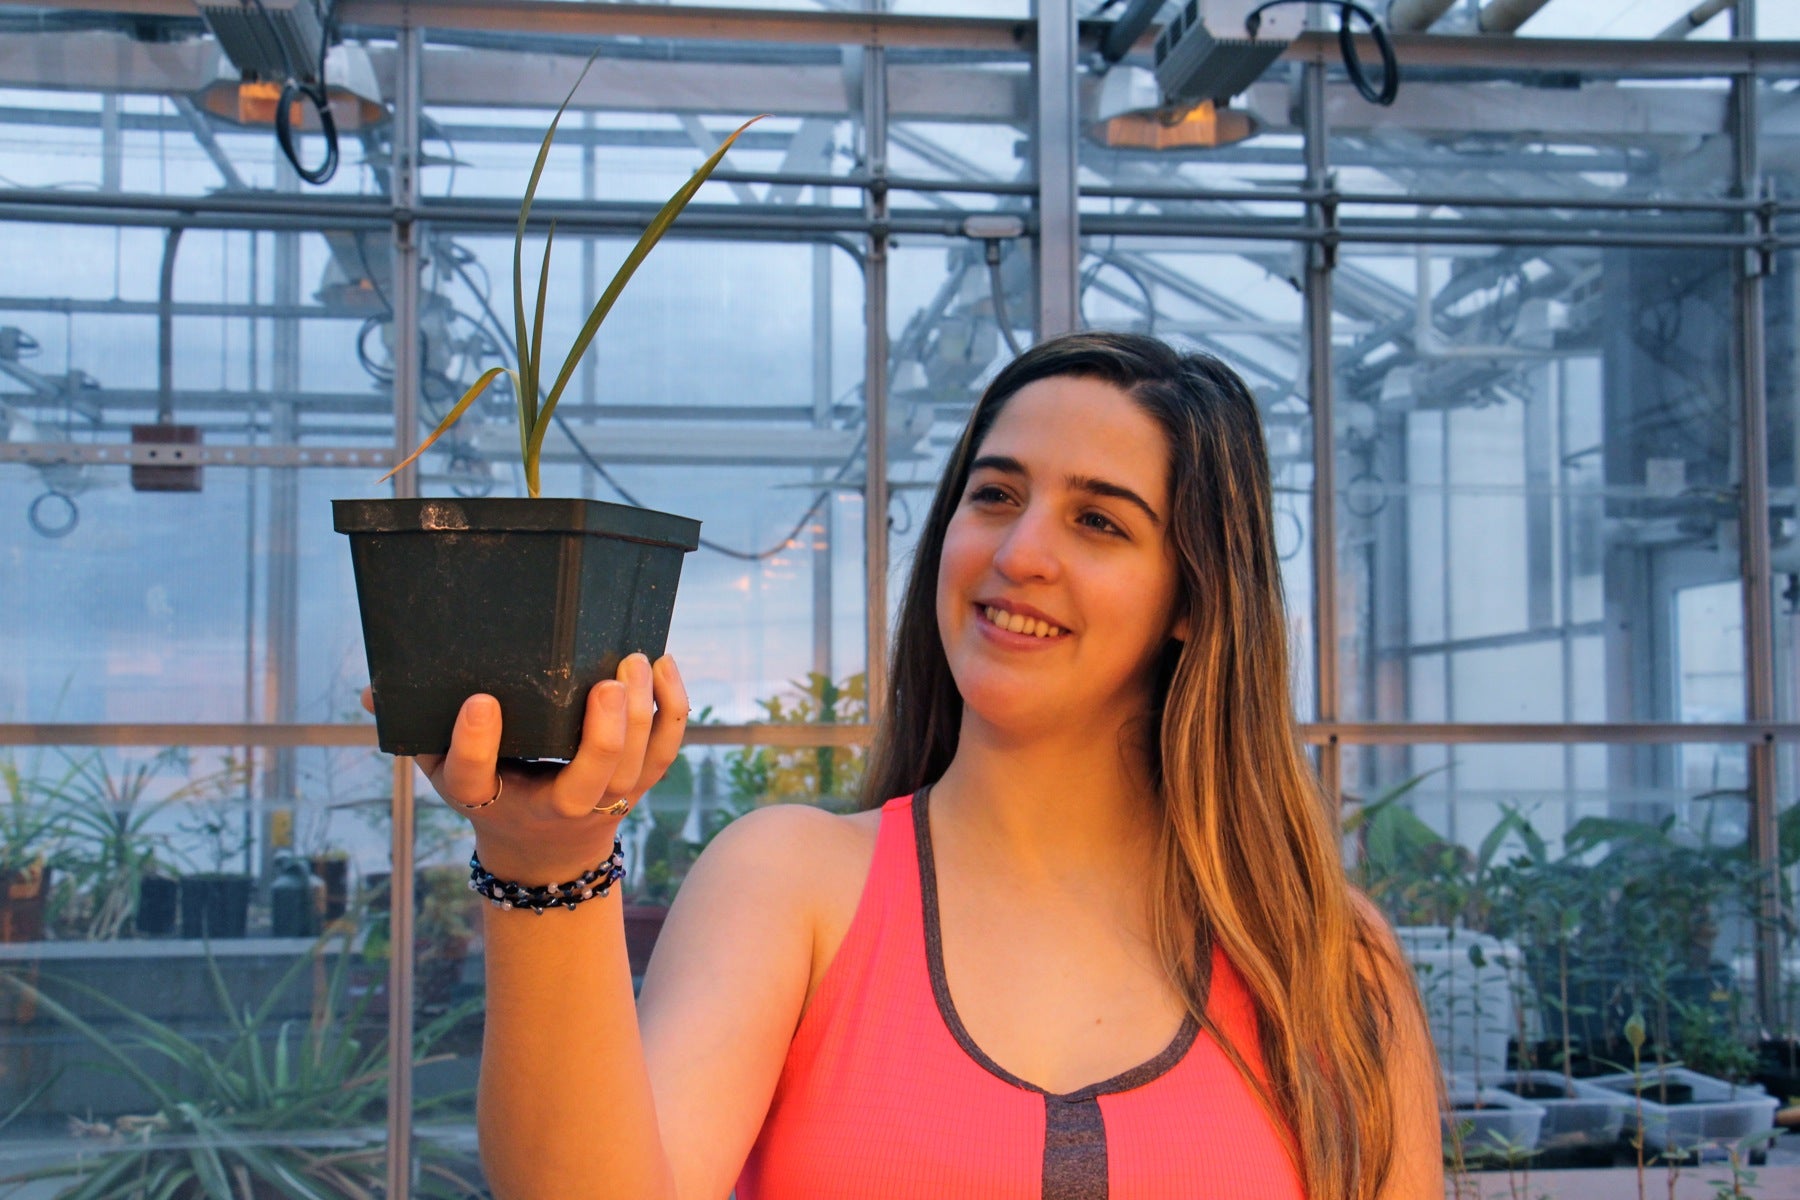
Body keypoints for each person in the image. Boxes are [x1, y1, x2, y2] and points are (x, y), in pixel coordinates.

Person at [394, 331, 1442, 1199]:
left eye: (1098, 521)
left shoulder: (1325, 958)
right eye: (994, 495)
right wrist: (545, 859)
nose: (1018, 551)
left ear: (1195, 600)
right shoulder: (793, 887)